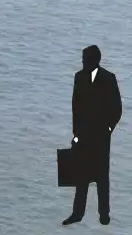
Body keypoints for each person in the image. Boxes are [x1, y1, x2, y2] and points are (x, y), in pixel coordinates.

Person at [69, 45, 122, 226]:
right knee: (81, 175)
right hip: (83, 135)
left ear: (94, 60)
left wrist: (108, 129)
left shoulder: (108, 79)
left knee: (101, 177)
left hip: (100, 136)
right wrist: (76, 134)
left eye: (85, 59)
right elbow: (75, 108)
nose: (82, 62)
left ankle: (104, 215)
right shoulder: (79, 77)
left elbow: (117, 108)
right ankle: (77, 213)